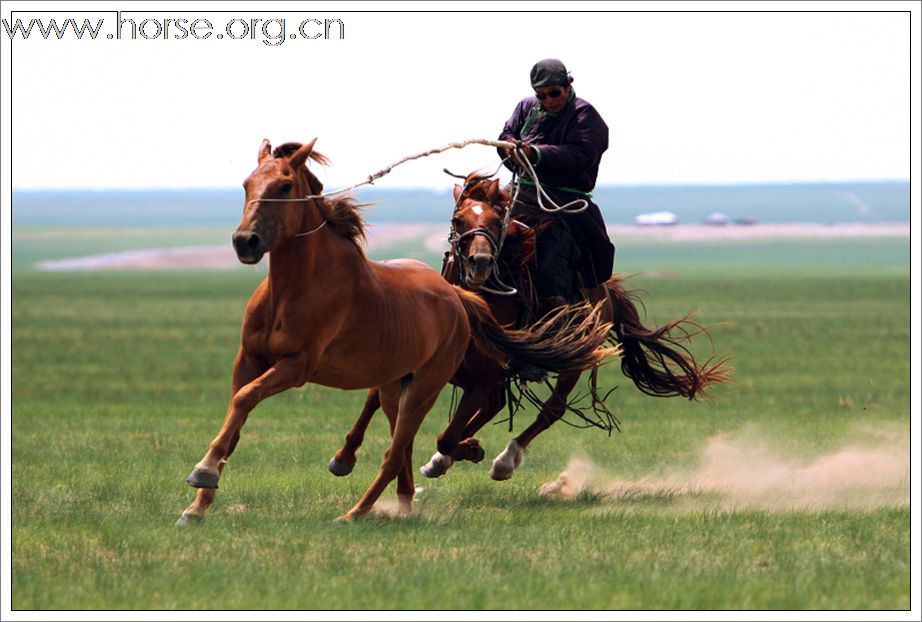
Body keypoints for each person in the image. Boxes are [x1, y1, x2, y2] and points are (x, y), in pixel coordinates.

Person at [497, 58, 615, 313]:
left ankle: (556, 309)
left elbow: (580, 156)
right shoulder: (526, 108)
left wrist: (536, 154)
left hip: (563, 201)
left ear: (568, 85)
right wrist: (512, 150)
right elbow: (506, 135)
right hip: (520, 193)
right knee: (480, 223)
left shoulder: (586, 116)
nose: (549, 100)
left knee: (552, 240)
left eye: (554, 93)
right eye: (542, 95)